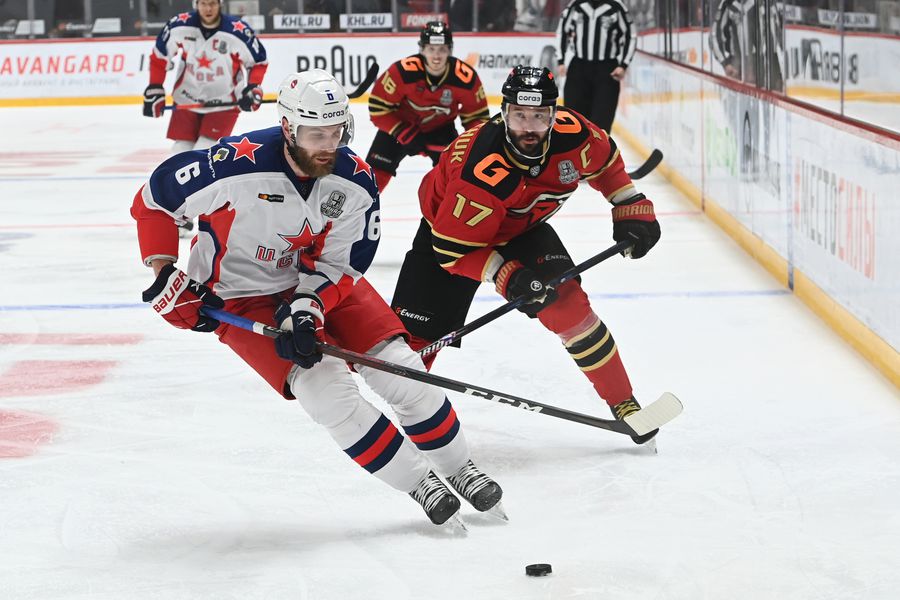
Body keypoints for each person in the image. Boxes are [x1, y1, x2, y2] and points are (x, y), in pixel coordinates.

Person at [131, 69, 502, 526]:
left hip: (325, 284)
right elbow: (153, 200)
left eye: (336, 132)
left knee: (403, 372)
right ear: (288, 127)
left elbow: (343, 263)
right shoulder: (234, 165)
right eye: (315, 134)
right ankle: (419, 482)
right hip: (242, 296)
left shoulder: (355, 180)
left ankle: (461, 468)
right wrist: (164, 272)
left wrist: (307, 307)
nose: (328, 145)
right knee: (326, 394)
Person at [389, 66, 661, 444]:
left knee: (568, 307)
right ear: (504, 113)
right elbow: (451, 252)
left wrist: (628, 203)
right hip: (452, 236)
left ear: (554, 115)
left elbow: (606, 161)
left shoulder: (574, 134)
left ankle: (624, 402)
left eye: (538, 116)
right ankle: (413, 426)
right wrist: (508, 275)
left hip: (521, 228)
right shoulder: (479, 171)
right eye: (519, 115)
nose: (528, 127)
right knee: (411, 348)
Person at [366, 21, 489, 193]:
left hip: (441, 130)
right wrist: (404, 132)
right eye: (431, 49)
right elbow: (378, 109)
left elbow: (477, 118)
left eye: (442, 49)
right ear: (422, 49)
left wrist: (476, 145)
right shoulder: (402, 72)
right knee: (371, 179)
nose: (436, 56)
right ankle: (362, 208)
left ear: (450, 50)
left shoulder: (466, 78)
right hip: (400, 126)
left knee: (454, 179)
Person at [142, 0, 268, 154]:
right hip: (186, 99)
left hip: (224, 103)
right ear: (196, 4)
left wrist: (253, 86)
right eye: (203, 3)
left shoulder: (237, 31)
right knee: (179, 152)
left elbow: (258, 62)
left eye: (213, 3)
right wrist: (155, 87)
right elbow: (159, 57)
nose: (208, 8)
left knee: (204, 152)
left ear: (220, 4)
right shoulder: (179, 25)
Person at [555, 0, 636, 132]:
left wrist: (624, 65)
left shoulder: (616, 7)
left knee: (601, 123)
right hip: (579, 68)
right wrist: (561, 60)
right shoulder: (576, 5)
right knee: (573, 120)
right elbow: (562, 31)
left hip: (607, 70)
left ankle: (599, 146)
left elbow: (631, 35)